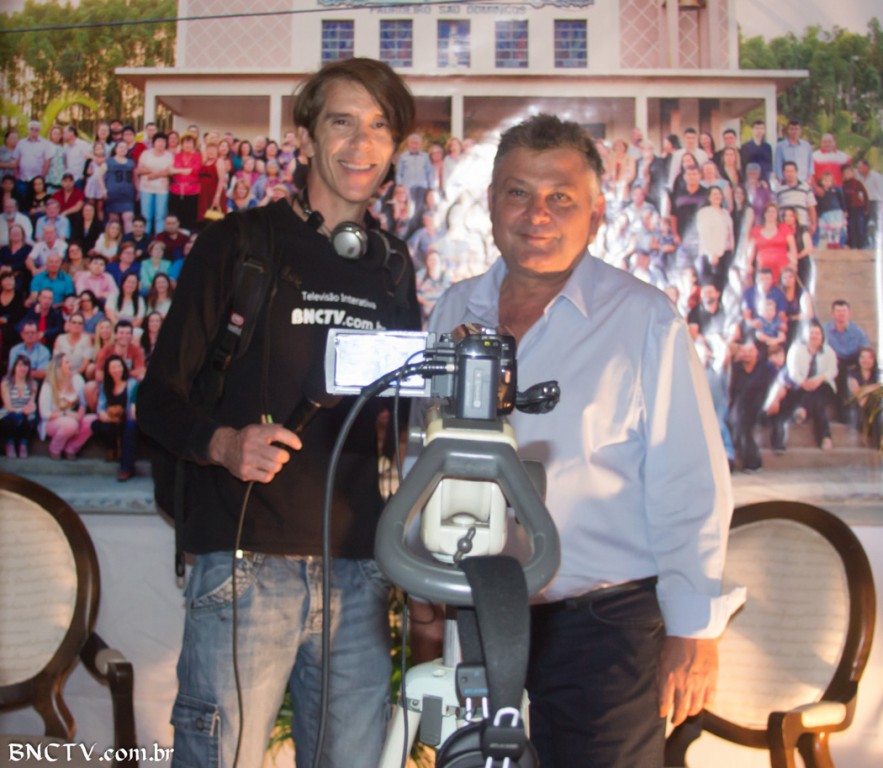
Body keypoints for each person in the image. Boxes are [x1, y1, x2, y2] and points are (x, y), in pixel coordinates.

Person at [417, 114, 737, 767]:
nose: (537, 214)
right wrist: (424, 592)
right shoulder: (453, 311)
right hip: (477, 616)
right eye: (518, 192)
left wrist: (693, 629)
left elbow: (688, 481)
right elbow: (429, 459)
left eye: (560, 197)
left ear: (595, 213)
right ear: (490, 203)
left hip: (603, 628)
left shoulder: (642, 319)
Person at [138, 57, 420, 768]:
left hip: (359, 573)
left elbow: (399, 420)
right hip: (246, 564)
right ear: (305, 137)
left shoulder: (393, 265)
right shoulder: (240, 243)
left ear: (395, 148)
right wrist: (224, 444)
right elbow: (157, 402)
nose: (361, 143)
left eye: (379, 126)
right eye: (342, 122)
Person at [767, 321, 837, 451]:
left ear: (822, 336)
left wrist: (818, 379)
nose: (814, 336)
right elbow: (793, 371)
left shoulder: (829, 351)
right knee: (818, 404)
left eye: (817, 333)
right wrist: (803, 383)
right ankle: (825, 437)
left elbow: (833, 370)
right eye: (811, 333)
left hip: (823, 385)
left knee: (818, 392)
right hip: (801, 385)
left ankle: (803, 410)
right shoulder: (796, 349)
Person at [38, 352, 95, 459]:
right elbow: (44, 413)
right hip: (53, 421)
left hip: (74, 418)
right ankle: (55, 449)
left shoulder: (77, 379)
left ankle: (71, 448)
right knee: (70, 424)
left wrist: (80, 415)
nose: (71, 365)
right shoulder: (48, 385)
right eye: (67, 362)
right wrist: (66, 414)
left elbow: (83, 403)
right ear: (59, 367)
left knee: (92, 420)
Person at [91, 354, 138, 480]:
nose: (117, 370)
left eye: (119, 366)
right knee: (96, 425)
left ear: (123, 367)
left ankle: (126, 468)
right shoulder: (106, 385)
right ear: (108, 371)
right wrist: (104, 415)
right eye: (113, 367)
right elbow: (101, 407)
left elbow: (133, 408)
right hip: (112, 420)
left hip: (128, 420)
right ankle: (112, 448)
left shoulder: (132, 383)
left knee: (130, 427)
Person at [823, 299, 870, 421]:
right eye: (838, 311)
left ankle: (851, 414)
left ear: (849, 313)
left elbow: (865, 350)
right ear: (833, 313)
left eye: (844, 311)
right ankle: (844, 415)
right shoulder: (825, 330)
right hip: (833, 364)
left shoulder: (857, 331)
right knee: (840, 370)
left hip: (853, 365)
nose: (841, 314)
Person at [1, 353, 38, 458]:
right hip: (9, 412)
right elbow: (8, 406)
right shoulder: (6, 383)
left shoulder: (33, 384)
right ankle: (10, 444)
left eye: (26, 366)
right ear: (15, 367)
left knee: (31, 417)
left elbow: (32, 404)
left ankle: (23, 444)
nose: (23, 368)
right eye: (20, 365)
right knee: (15, 417)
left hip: (25, 413)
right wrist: (22, 410)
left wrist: (30, 409)